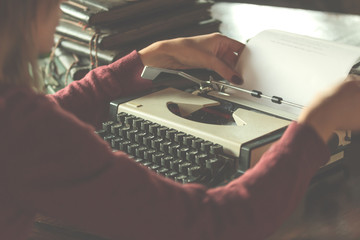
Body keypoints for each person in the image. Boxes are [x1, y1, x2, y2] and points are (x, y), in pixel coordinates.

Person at [1, 1, 360, 240]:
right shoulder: (24, 130)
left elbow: (38, 124)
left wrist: (146, 59)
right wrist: (319, 121)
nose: (62, 9)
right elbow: (217, 225)